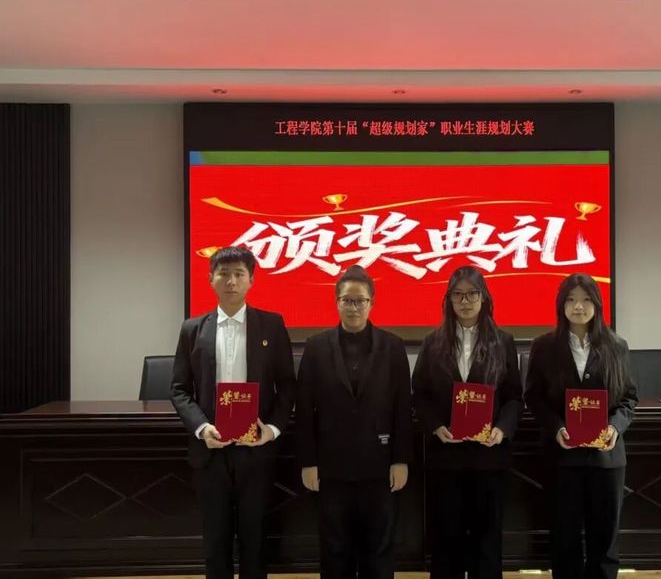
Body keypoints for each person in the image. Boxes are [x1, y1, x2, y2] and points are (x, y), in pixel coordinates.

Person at [170, 246, 296, 579]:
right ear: (210, 279)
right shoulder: (192, 329)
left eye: (239, 274)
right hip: (210, 452)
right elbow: (179, 388)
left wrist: (272, 429)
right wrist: (202, 428)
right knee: (216, 539)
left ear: (251, 280)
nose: (231, 281)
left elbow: (287, 385)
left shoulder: (271, 325)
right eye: (223, 274)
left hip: (256, 451)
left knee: (255, 539)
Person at [295, 264, 413, 579]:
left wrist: (401, 459)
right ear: (336, 302)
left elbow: (403, 407)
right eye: (347, 300)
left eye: (360, 301)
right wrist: (308, 462)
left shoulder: (392, 346)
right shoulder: (316, 346)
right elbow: (304, 408)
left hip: (380, 467)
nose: (354, 307)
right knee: (335, 551)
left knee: (379, 552)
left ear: (372, 303)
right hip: (331, 469)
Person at [411, 265, 522, 579]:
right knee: (446, 542)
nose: (465, 301)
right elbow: (419, 394)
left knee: (487, 543)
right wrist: (435, 426)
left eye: (472, 294)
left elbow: (514, 396)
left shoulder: (503, 341)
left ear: (484, 298)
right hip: (447, 458)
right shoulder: (433, 342)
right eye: (457, 295)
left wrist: (502, 429)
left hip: (489, 457)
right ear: (448, 300)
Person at [524, 273, 637, 579]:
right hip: (562, 459)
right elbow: (533, 396)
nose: (578, 306)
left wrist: (614, 427)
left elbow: (628, 398)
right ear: (561, 305)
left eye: (586, 299)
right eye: (571, 299)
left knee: (605, 538)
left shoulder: (616, 346)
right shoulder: (544, 346)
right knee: (565, 537)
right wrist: (556, 427)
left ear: (597, 305)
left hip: (606, 458)